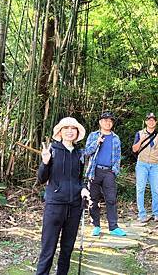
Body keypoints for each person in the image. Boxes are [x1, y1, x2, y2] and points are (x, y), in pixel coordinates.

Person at [36, 117, 94, 275]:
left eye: (73, 128)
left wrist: (83, 189)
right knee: (48, 250)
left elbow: (79, 179)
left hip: (75, 206)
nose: (70, 131)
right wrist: (45, 162)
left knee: (67, 250)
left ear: (77, 133)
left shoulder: (79, 154)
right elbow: (41, 179)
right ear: (60, 132)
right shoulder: (52, 151)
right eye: (66, 128)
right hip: (55, 205)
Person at [84, 111, 126, 236]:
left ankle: (113, 227)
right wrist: (97, 142)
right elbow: (86, 152)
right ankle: (96, 225)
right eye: (105, 120)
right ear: (100, 122)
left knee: (111, 199)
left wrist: (115, 170)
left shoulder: (115, 138)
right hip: (94, 171)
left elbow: (118, 156)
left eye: (110, 121)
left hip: (109, 172)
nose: (108, 123)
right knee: (93, 199)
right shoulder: (93, 135)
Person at [132, 112, 158, 223]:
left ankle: (157, 213)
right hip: (142, 164)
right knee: (140, 189)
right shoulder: (139, 133)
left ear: (155, 122)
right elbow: (134, 149)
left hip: (154, 165)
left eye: (153, 120)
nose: (151, 122)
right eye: (149, 120)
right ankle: (142, 214)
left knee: (156, 190)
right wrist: (141, 140)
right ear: (146, 122)